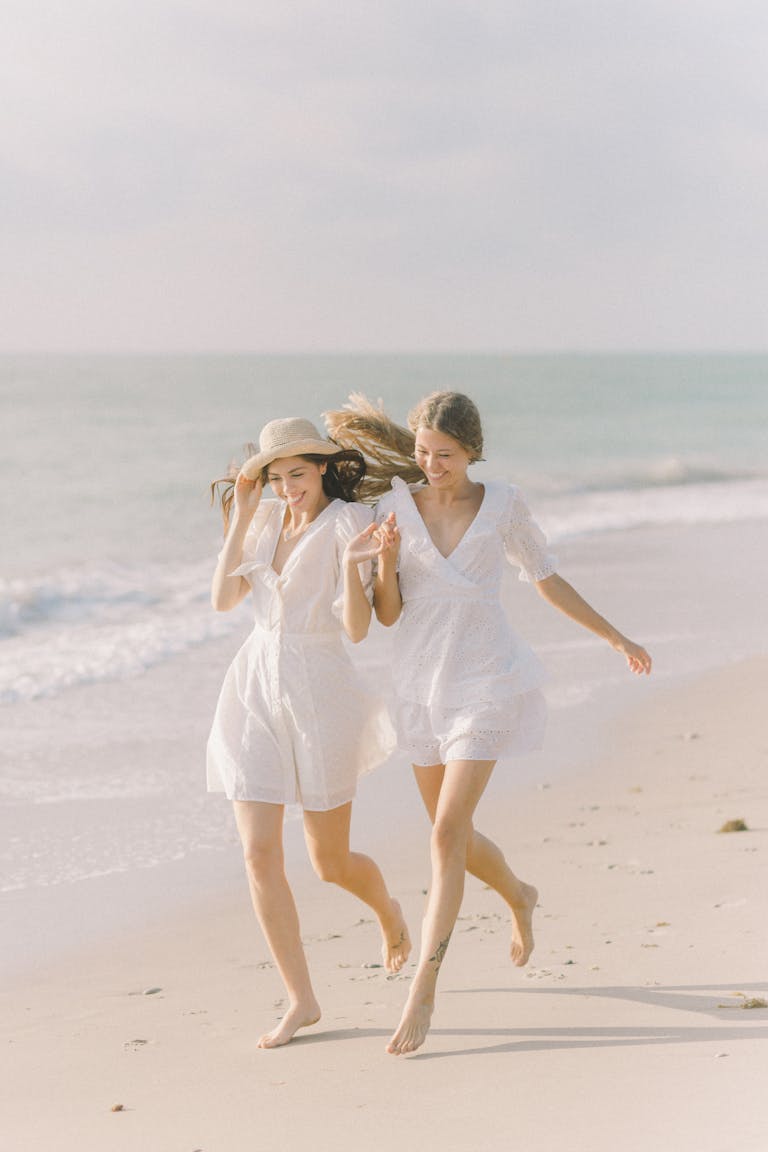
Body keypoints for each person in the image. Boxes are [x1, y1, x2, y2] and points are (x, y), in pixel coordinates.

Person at [325, 392, 652, 1055]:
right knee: (458, 838)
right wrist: (383, 561)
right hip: (420, 685)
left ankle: (425, 987)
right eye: (421, 452)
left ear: (473, 451)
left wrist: (615, 636)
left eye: (444, 455)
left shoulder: (501, 504)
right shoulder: (393, 507)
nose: (431, 465)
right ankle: (520, 893)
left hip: (486, 677)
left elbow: (547, 579)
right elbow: (387, 615)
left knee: (445, 832)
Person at [207, 416, 410, 1049]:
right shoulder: (263, 522)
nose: (288, 487)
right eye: (276, 477)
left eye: (298, 473)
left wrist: (356, 566)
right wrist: (242, 514)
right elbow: (223, 601)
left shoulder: (351, 525)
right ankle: (301, 1000)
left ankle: (390, 912)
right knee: (257, 852)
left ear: (323, 467)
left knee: (329, 862)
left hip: (319, 687)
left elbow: (357, 630)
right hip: (253, 684)